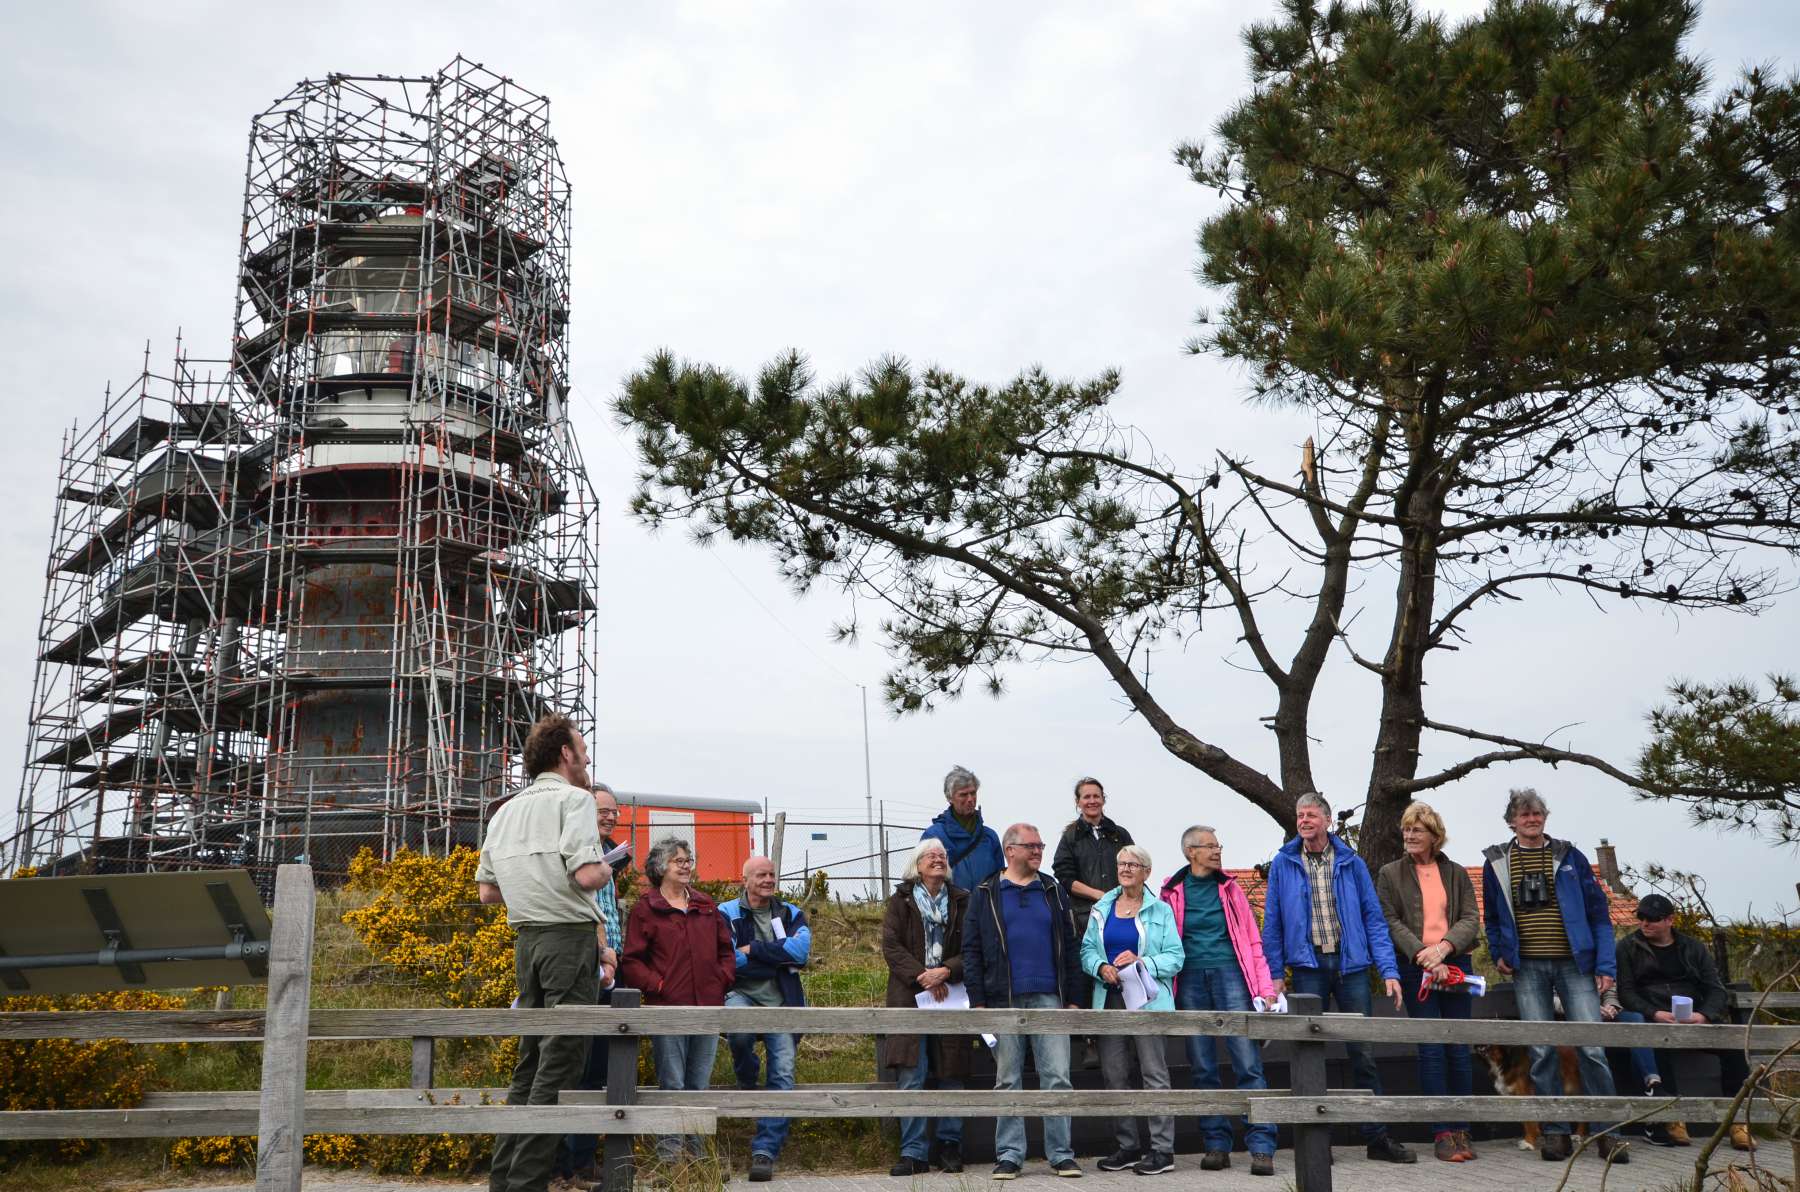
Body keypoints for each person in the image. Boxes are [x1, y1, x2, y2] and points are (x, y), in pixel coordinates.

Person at [475, 714, 612, 1192]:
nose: (588, 756)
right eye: (583, 747)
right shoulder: (574, 800)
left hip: (526, 942)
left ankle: (503, 1177)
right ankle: (527, 1183)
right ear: (565, 754)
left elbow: (488, 893)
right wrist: (609, 868)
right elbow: (586, 876)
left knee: (529, 1061)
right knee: (560, 1062)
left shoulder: (504, 811)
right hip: (568, 940)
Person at [1262, 791, 1415, 1164]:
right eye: (1300, 815)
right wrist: (1275, 976)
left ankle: (1376, 1138)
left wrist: (1390, 971)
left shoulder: (1351, 862)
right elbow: (1274, 923)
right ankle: (1317, 1144)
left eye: (1311, 815)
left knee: (1362, 1053)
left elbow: (1374, 920)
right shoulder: (1284, 862)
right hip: (1308, 968)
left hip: (1352, 969)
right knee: (1309, 1056)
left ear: (1328, 821)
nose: (1304, 821)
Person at [1481, 788, 1629, 1164]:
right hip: (1527, 966)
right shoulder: (1497, 862)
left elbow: (1599, 915)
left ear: (1545, 818)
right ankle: (1556, 1132)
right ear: (1512, 821)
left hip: (1575, 964)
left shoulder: (1570, 857)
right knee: (1541, 1049)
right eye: (1525, 815)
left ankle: (1607, 1133)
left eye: (1538, 814)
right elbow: (1494, 918)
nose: (1532, 820)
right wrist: (1499, 953)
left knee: (1592, 1047)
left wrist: (1605, 966)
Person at [964, 822, 1084, 1180]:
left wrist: (1074, 998)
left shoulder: (1053, 889)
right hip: (1003, 999)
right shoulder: (985, 892)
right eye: (1031, 845)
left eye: (1040, 845)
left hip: (1050, 997)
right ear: (1010, 850)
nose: (1038, 851)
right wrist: (979, 1002)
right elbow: (971, 950)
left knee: (1058, 1077)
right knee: (1007, 1079)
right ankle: (1010, 1155)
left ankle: (1061, 1155)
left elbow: (1071, 944)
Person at [1160, 825, 1279, 1177]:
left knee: (1248, 1062)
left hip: (1231, 976)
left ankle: (1261, 1146)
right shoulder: (1171, 892)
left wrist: (1264, 989)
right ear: (1190, 852)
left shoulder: (1230, 888)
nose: (1216, 851)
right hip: (1191, 980)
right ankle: (1215, 1144)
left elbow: (1253, 941)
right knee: (1202, 1066)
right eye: (1209, 846)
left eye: (1218, 845)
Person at [619, 835, 736, 1165]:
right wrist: (658, 986)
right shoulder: (647, 908)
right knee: (672, 1081)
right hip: (668, 1009)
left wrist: (721, 980)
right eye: (678, 861)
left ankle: (699, 1158)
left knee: (699, 1083)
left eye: (688, 860)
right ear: (661, 867)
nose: (686, 866)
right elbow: (632, 961)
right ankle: (670, 1157)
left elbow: (726, 951)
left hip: (708, 1007)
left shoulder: (705, 904)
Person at [1375, 801, 1481, 1163]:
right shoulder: (1390, 873)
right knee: (1432, 1049)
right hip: (1414, 965)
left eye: (1416, 830)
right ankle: (1441, 1132)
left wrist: (1445, 950)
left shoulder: (1457, 873)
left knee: (1458, 1048)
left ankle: (1462, 1128)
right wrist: (1425, 954)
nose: (1409, 835)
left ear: (1435, 835)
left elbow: (1470, 917)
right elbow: (1389, 920)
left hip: (1456, 964)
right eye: (1406, 829)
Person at [1617, 893, 1756, 1152]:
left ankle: (1738, 1122)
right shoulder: (1627, 947)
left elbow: (1715, 988)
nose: (1645, 924)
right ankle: (1672, 1119)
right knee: (1656, 1045)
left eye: (1653, 919)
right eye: (1641, 918)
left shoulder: (1693, 947)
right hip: (1656, 1018)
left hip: (1695, 1016)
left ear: (1670, 920)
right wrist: (1654, 1013)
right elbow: (1627, 992)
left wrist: (1703, 1015)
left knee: (1734, 1048)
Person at [1080, 844, 1182, 1176]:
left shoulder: (1160, 910)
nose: (1125, 869)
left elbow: (1175, 957)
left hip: (1147, 1000)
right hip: (1109, 998)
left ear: (1146, 872)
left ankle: (1162, 1151)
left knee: (1154, 1074)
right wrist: (1099, 966)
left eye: (1133, 864)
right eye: (1122, 863)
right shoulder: (1102, 907)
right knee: (1114, 1075)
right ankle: (1127, 1146)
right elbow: (1085, 951)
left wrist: (1143, 962)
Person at [880, 838, 972, 1177]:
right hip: (910, 995)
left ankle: (950, 1146)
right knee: (911, 1074)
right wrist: (922, 976)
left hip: (951, 993)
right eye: (930, 855)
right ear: (917, 865)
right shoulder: (900, 901)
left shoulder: (963, 900)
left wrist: (946, 970)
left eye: (942, 856)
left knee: (952, 1072)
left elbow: (972, 947)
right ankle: (913, 1152)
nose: (937, 859)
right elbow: (891, 946)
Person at [719, 857, 812, 1183]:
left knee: (783, 1073)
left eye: (772, 874)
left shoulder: (790, 912)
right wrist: (777, 956)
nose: (768, 879)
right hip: (740, 994)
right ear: (745, 879)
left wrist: (755, 949)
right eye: (761, 874)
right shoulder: (725, 913)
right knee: (739, 1032)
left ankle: (765, 1151)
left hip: (782, 1001)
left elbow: (801, 953)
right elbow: (729, 961)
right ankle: (747, 1078)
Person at [557, 784, 627, 1187]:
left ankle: (581, 1160)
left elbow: (610, 913)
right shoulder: (581, 853)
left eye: (614, 811)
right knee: (575, 1067)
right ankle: (567, 1162)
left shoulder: (611, 856)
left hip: (610, 969)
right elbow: (588, 911)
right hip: (590, 967)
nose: (610, 817)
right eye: (603, 810)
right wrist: (604, 954)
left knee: (599, 1068)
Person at [1052, 776, 1134, 1010]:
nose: (1092, 801)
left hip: (1121, 912)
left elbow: (1133, 866)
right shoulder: (1070, 837)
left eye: (1096, 796)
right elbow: (1064, 877)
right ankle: (1090, 1038)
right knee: (1089, 970)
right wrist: (1099, 895)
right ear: (1078, 802)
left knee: (1121, 965)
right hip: (1084, 916)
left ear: (1103, 799)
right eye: (1086, 797)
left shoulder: (1119, 834)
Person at [921, 765, 1005, 892]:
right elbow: (924, 882)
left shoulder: (990, 837)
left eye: (973, 793)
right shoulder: (934, 836)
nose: (970, 799)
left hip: (985, 910)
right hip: (950, 910)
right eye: (963, 795)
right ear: (950, 798)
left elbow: (1000, 883)